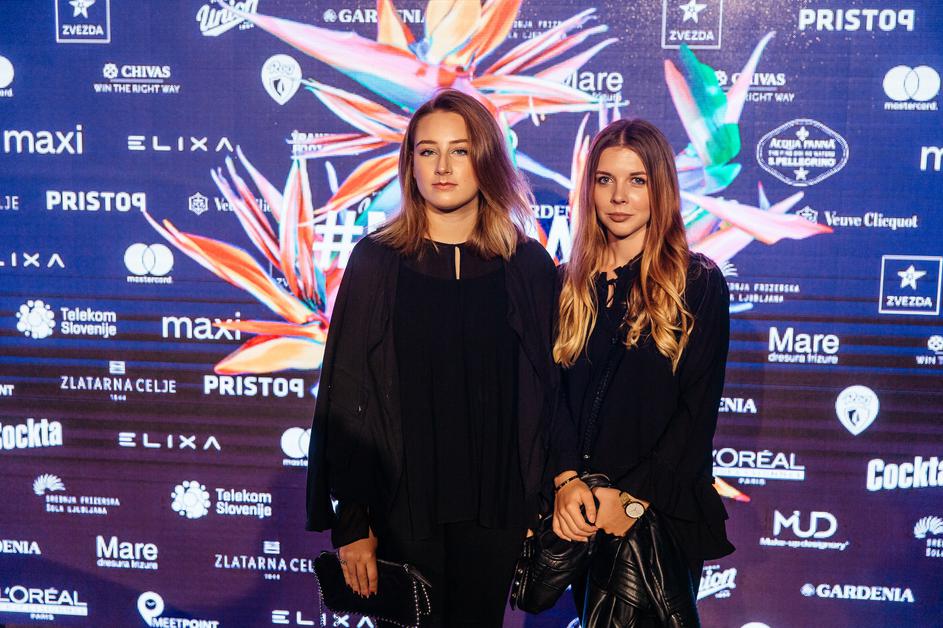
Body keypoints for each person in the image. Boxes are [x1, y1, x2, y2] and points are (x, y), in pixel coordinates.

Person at [306, 89, 559, 627]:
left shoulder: (528, 266)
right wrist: (353, 522)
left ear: (486, 160)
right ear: (411, 164)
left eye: (460, 150)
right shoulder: (376, 262)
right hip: (400, 512)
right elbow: (347, 397)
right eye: (428, 151)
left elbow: (548, 397)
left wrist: (537, 504)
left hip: (496, 515)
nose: (443, 166)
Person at [549, 119, 735, 626]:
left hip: (656, 515)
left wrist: (629, 501)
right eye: (605, 179)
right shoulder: (566, 284)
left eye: (637, 180)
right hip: (580, 515)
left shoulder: (696, 282)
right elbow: (551, 400)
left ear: (661, 189)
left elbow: (696, 413)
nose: (619, 196)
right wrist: (567, 480)